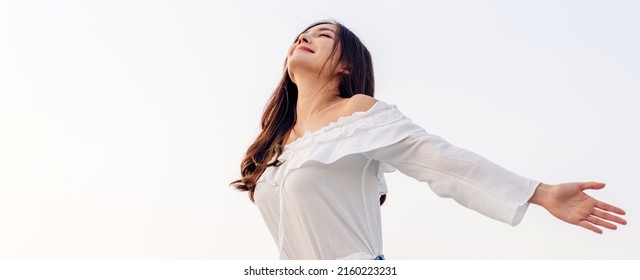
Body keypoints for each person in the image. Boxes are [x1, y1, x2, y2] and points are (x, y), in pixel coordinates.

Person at [231, 20, 627, 260]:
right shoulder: (275, 146)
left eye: (322, 36)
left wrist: (538, 192)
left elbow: (436, 159)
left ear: (346, 63)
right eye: (302, 33)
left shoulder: (357, 113)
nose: (305, 37)